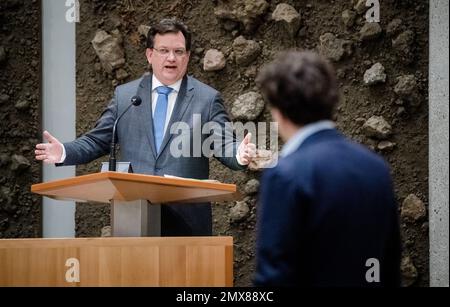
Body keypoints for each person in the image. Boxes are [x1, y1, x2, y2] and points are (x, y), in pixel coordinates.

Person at [35, 19, 256, 236]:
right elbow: (97, 140)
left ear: (187, 57)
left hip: (187, 224)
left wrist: (240, 154)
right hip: (133, 219)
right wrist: (63, 151)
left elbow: (223, 143)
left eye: (179, 51)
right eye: (164, 50)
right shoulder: (126, 97)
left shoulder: (206, 99)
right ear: (150, 55)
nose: (172, 58)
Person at [253, 51, 401, 287]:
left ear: (278, 111)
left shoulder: (285, 173)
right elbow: (391, 262)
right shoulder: (376, 167)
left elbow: (274, 275)